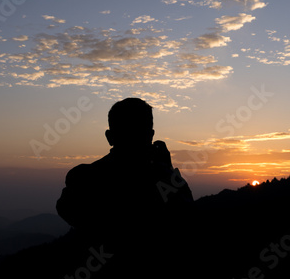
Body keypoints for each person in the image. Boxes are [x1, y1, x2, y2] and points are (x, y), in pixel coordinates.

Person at [56, 97, 194, 242]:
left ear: (110, 137)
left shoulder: (84, 178)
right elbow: (186, 220)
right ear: (151, 136)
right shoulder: (167, 182)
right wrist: (167, 170)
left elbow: (68, 209)